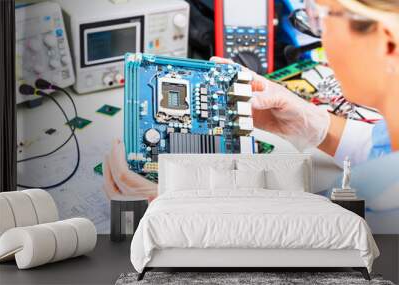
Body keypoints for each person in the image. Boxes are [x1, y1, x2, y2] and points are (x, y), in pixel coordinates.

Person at [103, 0, 399, 200]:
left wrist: (170, 209)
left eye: (320, 19)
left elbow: (302, 251)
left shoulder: (380, 204)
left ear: (386, 41)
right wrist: (309, 122)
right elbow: (383, 150)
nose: (321, 39)